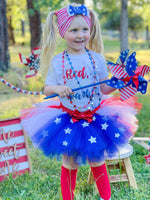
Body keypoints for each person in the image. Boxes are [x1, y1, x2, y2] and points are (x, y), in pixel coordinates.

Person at [20, 4, 141, 200]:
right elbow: (47, 88)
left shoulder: (97, 59)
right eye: (73, 30)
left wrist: (118, 83)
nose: (80, 35)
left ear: (91, 30)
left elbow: (103, 89)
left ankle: (106, 197)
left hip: (95, 117)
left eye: (85, 29)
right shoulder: (58, 61)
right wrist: (58, 89)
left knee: (97, 159)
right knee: (70, 161)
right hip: (69, 119)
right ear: (62, 32)